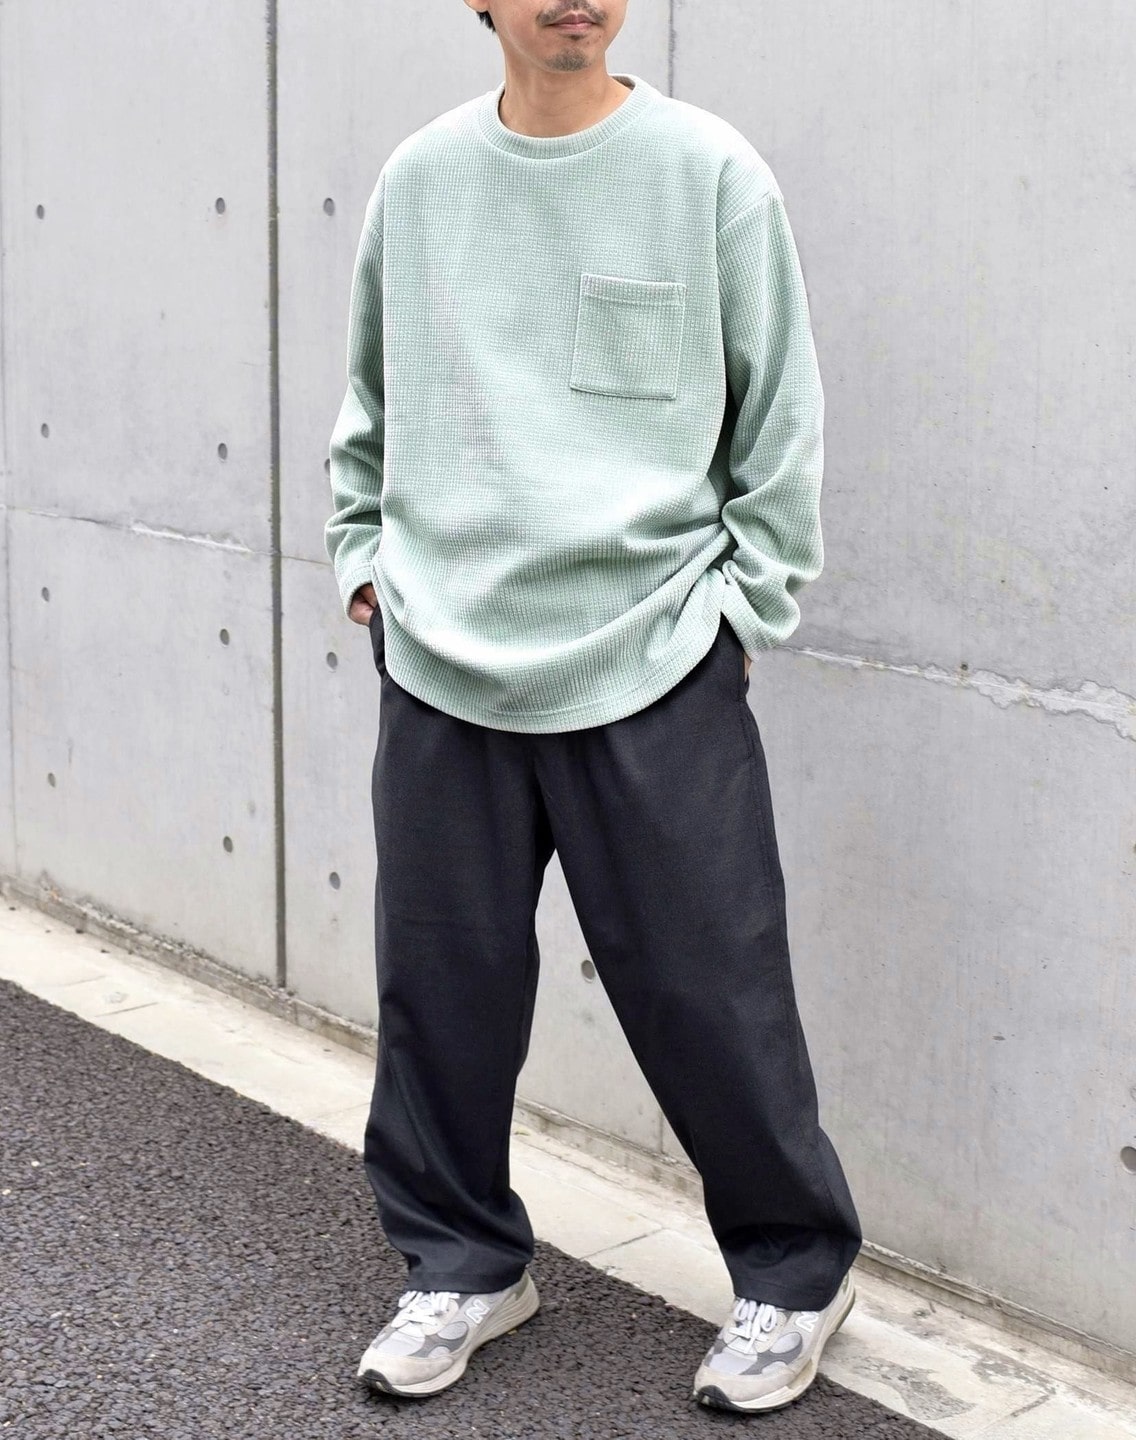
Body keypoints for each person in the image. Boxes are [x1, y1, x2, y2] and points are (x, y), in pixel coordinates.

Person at [323, 0, 862, 1416]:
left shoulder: (708, 172)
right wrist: (364, 558)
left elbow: (779, 412)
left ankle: (796, 1272)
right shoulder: (423, 179)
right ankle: (463, 1263)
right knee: (441, 988)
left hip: (653, 651)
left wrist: (746, 608)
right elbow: (372, 394)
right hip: (445, 653)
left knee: (711, 987)